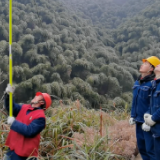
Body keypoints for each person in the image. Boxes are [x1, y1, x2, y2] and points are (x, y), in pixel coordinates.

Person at [3, 84, 52, 160]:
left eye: (38, 96)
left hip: (24, 156)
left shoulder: (41, 117)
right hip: (12, 149)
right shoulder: (24, 107)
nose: (35, 95)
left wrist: (14, 123)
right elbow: (11, 108)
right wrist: (8, 95)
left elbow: (30, 131)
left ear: (42, 102)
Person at [129, 56, 160, 160]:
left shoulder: (152, 84)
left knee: (150, 150)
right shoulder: (137, 82)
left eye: (146, 63)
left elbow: (152, 104)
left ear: (151, 68)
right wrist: (132, 115)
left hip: (148, 122)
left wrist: (148, 121)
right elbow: (135, 101)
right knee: (142, 149)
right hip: (138, 121)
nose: (142, 64)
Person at [144, 63, 160, 160]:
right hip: (156, 131)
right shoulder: (155, 85)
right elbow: (152, 105)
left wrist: (153, 118)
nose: (158, 64)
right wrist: (147, 114)